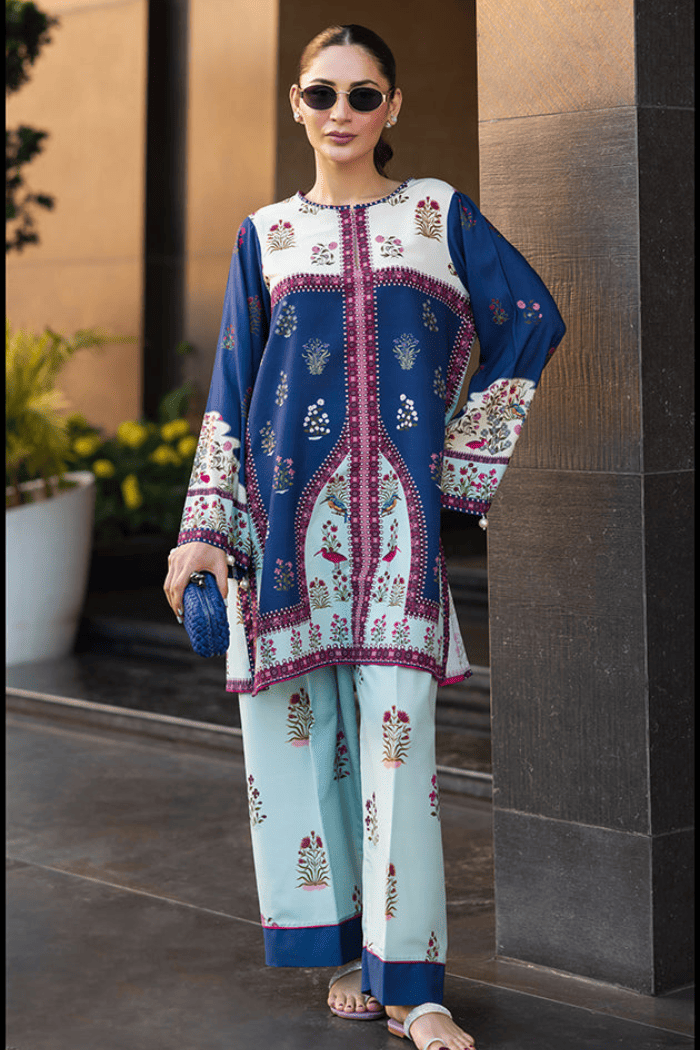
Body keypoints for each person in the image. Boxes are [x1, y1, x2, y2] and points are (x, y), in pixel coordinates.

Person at [164, 23, 565, 1050]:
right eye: (321, 93)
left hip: (399, 534)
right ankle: (350, 953)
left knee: (398, 746)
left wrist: (458, 470)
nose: (339, 112)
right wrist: (203, 529)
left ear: (392, 107)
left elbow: (529, 317)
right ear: (295, 103)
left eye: (361, 93)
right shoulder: (265, 236)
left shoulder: (435, 214)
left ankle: (415, 988)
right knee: (302, 749)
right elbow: (231, 387)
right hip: (283, 533)